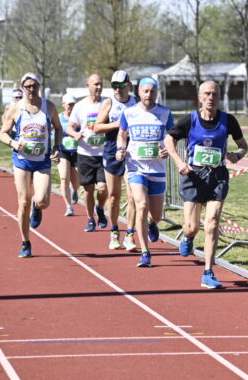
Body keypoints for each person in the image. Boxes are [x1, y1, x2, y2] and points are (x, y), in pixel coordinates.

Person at [165, 80, 248, 288]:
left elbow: (243, 145)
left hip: (217, 176)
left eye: (215, 94)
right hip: (193, 175)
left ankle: (208, 272)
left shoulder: (228, 120)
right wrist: (179, 162)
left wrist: (238, 155)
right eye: (208, 94)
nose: (211, 98)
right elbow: (169, 140)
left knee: (212, 223)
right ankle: (188, 237)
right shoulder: (189, 120)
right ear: (200, 97)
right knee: (192, 227)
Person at [0, 73, 62, 258]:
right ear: (22, 87)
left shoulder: (48, 107)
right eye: (28, 87)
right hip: (22, 161)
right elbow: (2, 133)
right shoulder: (15, 108)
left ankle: (37, 206)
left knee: (43, 200)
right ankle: (25, 242)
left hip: (42, 160)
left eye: (35, 86)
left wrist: (57, 147)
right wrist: (13, 143)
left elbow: (58, 128)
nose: (32, 90)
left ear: (39, 86)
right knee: (23, 201)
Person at [115, 77, 174, 267]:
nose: (149, 95)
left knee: (155, 215)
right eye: (145, 91)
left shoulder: (165, 113)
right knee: (140, 205)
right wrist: (120, 148)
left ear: (157, 92)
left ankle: (152, 223)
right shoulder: (129, 112)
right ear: (139, 92)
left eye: (152, 91)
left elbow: (172, 137)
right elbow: (122, 134)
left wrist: (167, 150)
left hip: (157, 169)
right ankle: (146, 253)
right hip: (135, 167)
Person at [94, 70, 139, 251]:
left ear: (129, 85)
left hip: (133, 153)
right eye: (114, 86)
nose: (118, 90)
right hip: (112, 151)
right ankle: (114, 232)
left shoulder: (137, 102)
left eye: (121, 86)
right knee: (113, 197)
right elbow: (97, 127)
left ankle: (130, 235)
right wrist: (120, 124)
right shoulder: (109, 103)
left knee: (132, 197)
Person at [66, 74, 108, 232]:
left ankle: (101, 209)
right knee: (89, 190)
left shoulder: (106, 103)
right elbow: (69, 126)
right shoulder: (80, 106)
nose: (98, 87)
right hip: (85, 153)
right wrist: (75, 134)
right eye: (95, 84)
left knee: (103, 188)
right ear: (88, 86)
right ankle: (90, 219)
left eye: (101, 84)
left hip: (103, 153)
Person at [57, 93, 80, 216]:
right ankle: (68, 206)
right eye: (69, 104)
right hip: (63, 151)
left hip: (77, 152)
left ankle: (74, 190)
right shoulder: (59, 118)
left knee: (77, 182)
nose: (71, 107)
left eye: (73, 104)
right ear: (63, 105)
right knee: (64, 178)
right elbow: (53, 133)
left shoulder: (79, 118)